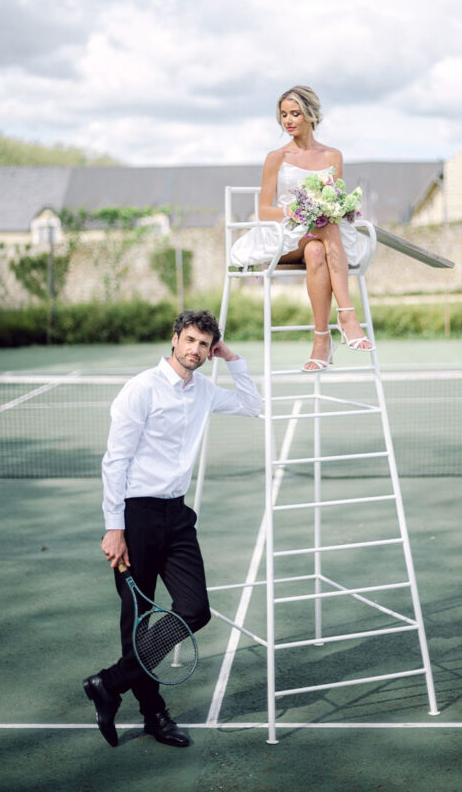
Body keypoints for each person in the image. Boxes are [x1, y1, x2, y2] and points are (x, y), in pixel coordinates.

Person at [83, 309, 261, 748]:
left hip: (178, 517)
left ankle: (109, 682)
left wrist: (232, 357)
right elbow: (115, 461)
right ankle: (153, 715)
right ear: (175, 338)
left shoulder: (205, 390)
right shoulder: (140, 389)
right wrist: (114, 527)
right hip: (136, 516)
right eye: (191, 340)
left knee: (195, 609)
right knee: (138, 623)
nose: (196, 350)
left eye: (205, 344)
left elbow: (255, 406)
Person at [230, 85, 374, 372]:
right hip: (283, 238)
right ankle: (347, 317)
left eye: (295, 113)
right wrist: (296, 211)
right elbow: (263, 210)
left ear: (311, 115)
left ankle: (321, 341)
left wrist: (327, 209)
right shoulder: (276, 157)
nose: (288, 121)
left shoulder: (333, 157)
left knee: (319, 248)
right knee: (325, 227)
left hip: (315, 239)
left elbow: (333, 200)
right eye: (283, 115)